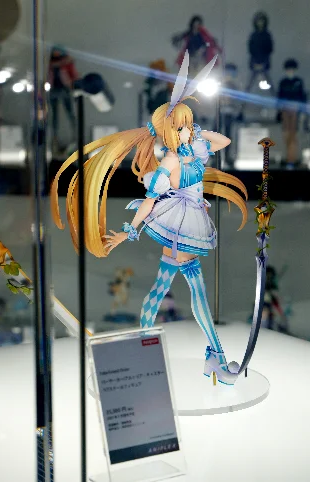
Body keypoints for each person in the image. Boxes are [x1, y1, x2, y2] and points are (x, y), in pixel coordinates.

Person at [51, 53, 248, 385]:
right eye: (182, 127)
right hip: (179, 225)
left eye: (189, 124)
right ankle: (211, 356)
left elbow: (223, 141)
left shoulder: (194, 151)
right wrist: (128, 232)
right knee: (193, 290)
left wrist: (195, 131)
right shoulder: (170, 162)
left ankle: (152, 346)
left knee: (162, 288)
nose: (188, 131)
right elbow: (150, 200)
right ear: (169, 132)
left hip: (189, 222)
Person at [47, 46, 78, 151]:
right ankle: (54, 138)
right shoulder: (50, 63)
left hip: (64, 89)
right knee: (54, 115)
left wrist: (73, 84)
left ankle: (75, 136)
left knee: (70, 113)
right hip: (53, 90)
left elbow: (73, 74)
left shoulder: (66, 63)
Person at [277, 59, 307, 167]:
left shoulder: (298, 81)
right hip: (285, 110)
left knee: (293, 134)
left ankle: (292, 159)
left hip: (295, 109)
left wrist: (303, 112)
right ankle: (288, 157)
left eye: (292, 69)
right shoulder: (283, 82)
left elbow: (302, 96)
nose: (290, 71)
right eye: (288, 69)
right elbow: (279, 96)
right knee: (286, 133)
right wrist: (279, 110)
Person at [247, 12, 274, 91]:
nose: (260, 23)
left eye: (262, 21)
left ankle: (275, 98)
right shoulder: (253, 35)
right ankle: (243, 98)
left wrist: (263, 63)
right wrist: (255, 63)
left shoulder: (267, 35)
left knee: (268, 81)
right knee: (250, 82)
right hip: (254, 61)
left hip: (265, 61)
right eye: (258, 21)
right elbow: (251, 50)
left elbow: (269, 49)